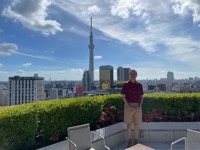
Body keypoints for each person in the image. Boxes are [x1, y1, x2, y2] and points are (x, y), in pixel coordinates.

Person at [121, 69, 144, 148]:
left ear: (136, 75)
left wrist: (139, 106)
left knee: (137, 125)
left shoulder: (139, 85)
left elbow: (142, 97)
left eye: (134, 74)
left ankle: (136, 141)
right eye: (131, 74)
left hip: (138, 107)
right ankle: (129, 141)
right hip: (128, 107)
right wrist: (129, 107)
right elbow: (123, 97)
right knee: (129, 125)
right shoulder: (126, 85)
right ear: (129, 75)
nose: (133, 75)